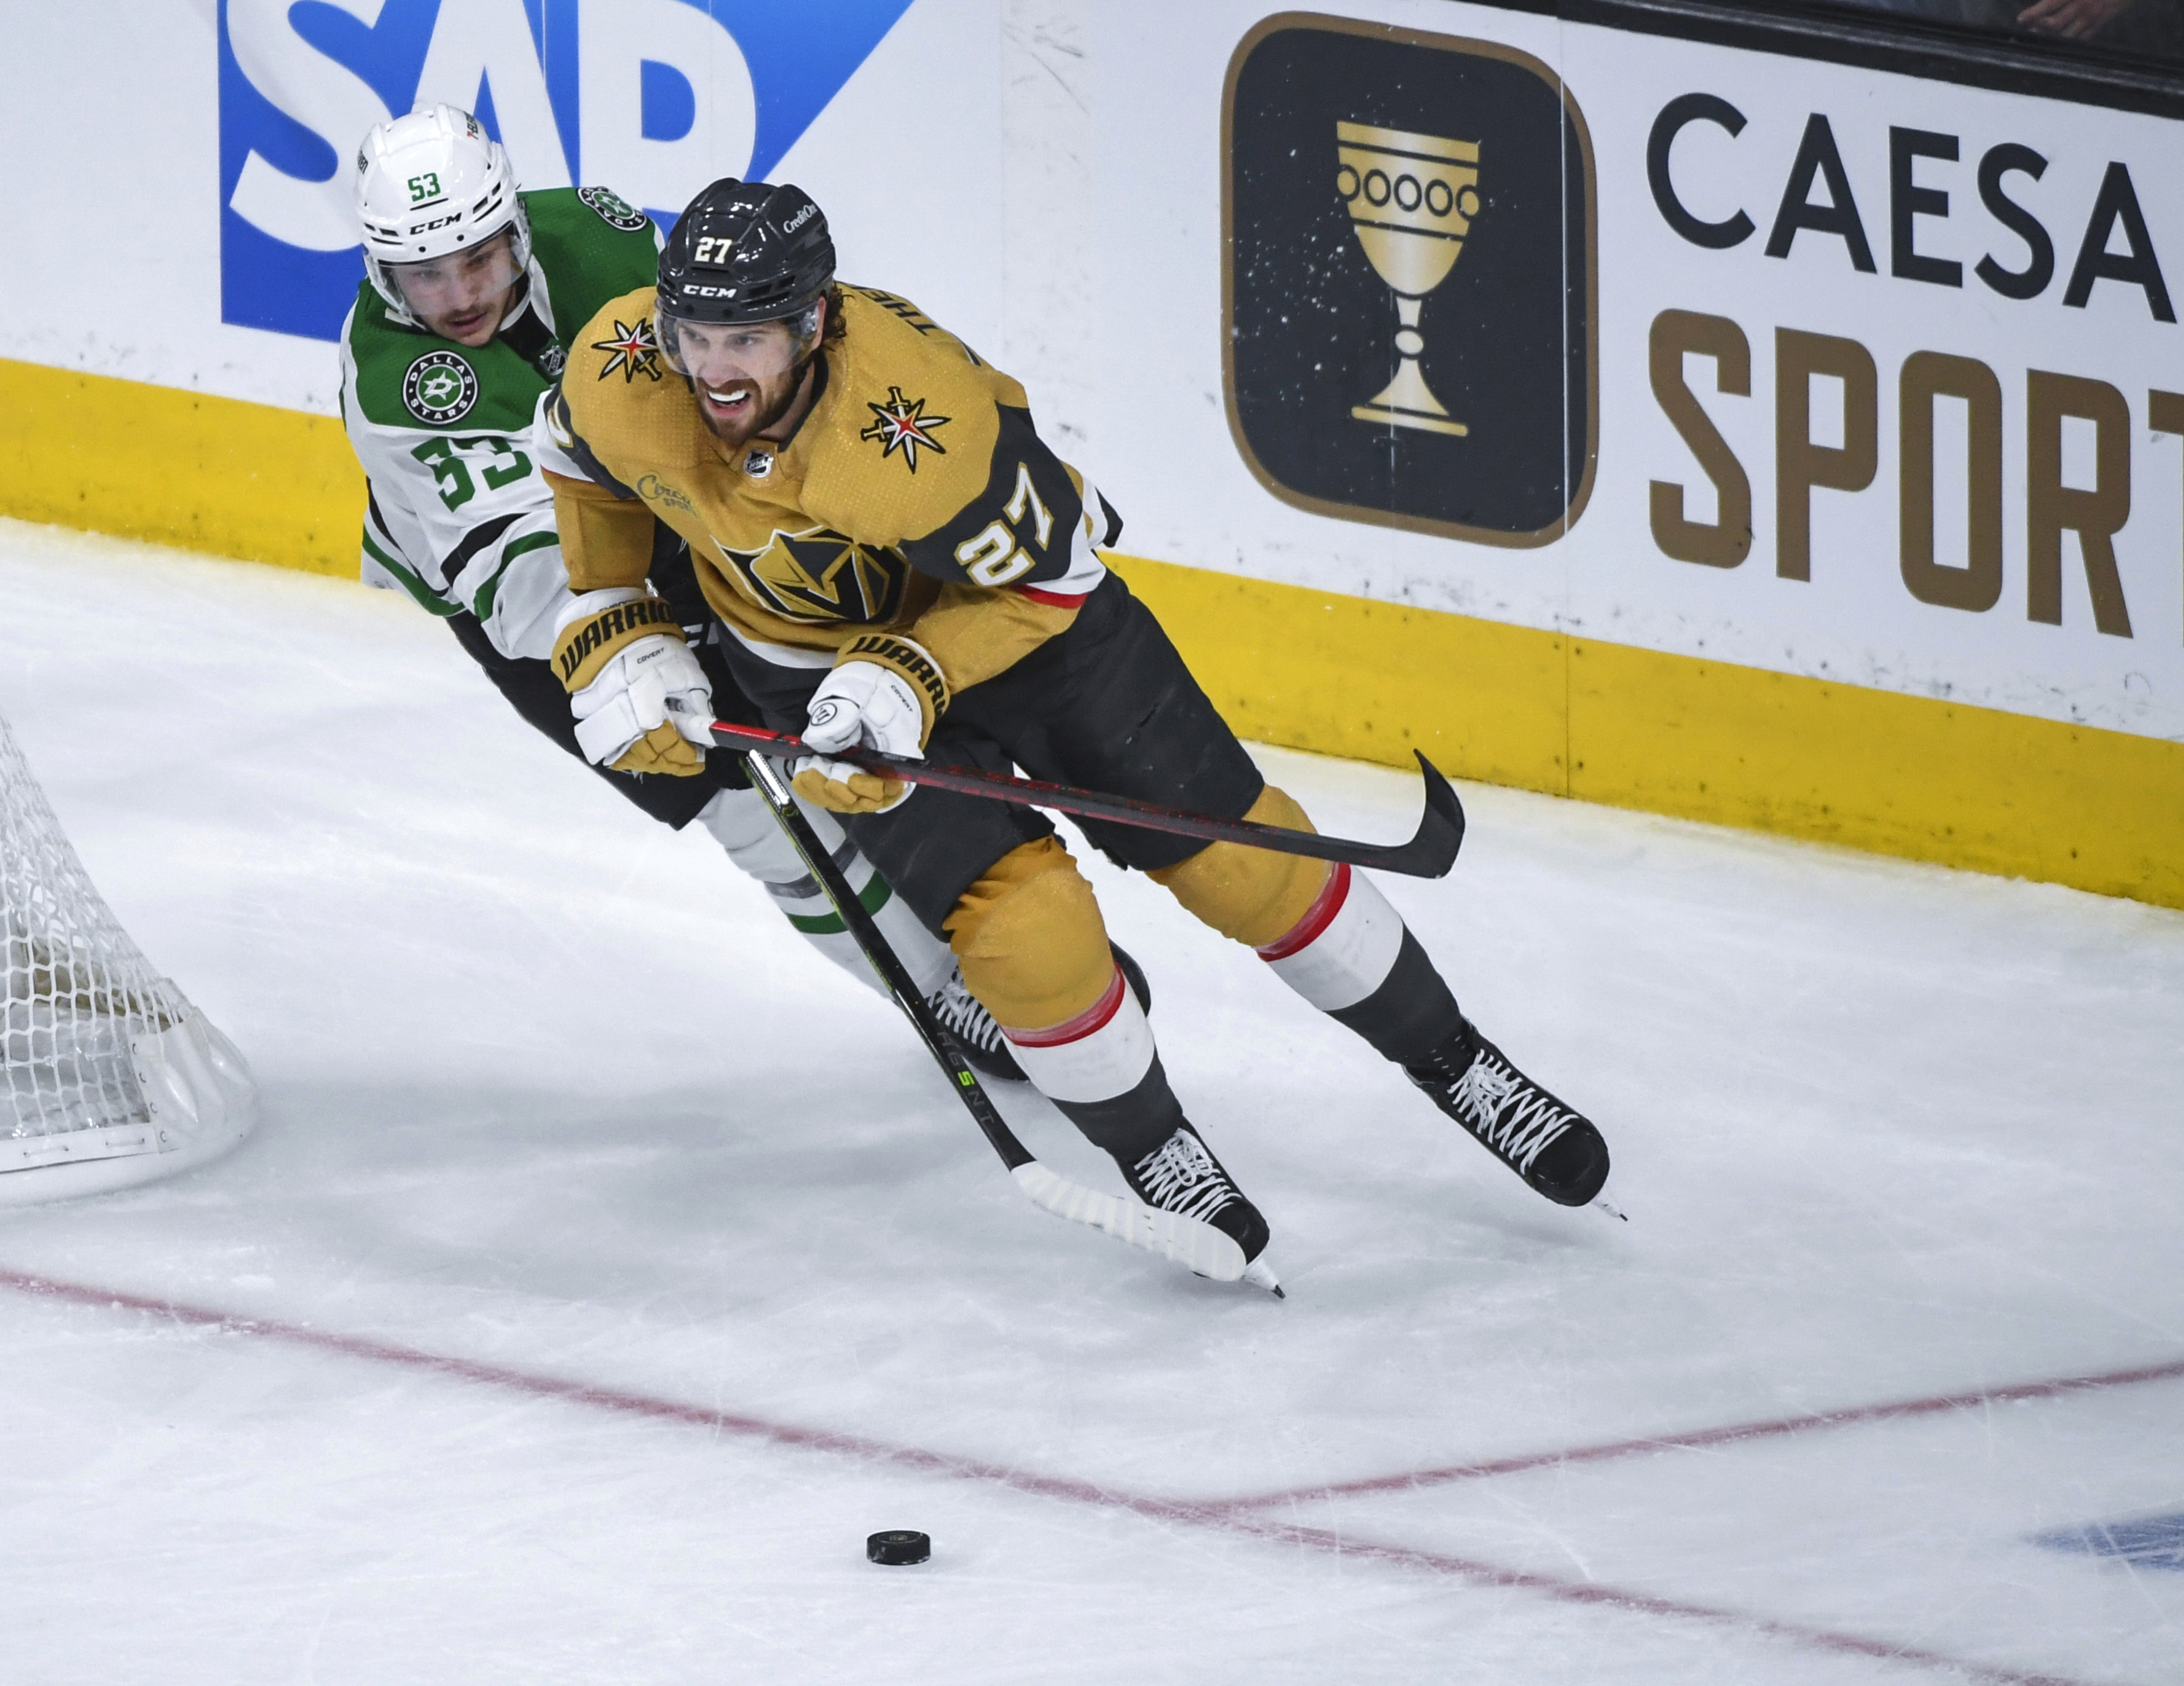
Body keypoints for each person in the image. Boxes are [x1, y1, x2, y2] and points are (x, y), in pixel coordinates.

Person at [533, 179, 1612, 1285]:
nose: (714, 368)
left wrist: (914, 667)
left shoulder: (912, 423)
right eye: (697, 333)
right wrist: (616, 615)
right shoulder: (624, 369)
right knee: (1026, 935)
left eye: (747, 338)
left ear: (811, 325)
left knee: (1237, 860)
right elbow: (580, 462)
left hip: (1018, 620)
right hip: (811, 668)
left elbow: (1055, 575)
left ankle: (1456, 1059)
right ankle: (1158, 1150)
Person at [335, 107, 1026, 1074]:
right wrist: (633, 639)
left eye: (478, 261)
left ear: (516, 230)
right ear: (380, 271)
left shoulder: (602, 235)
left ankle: (1018, 947)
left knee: (841, 734)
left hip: (679, 529)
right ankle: (938, 994)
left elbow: (708, 386)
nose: (457, 297)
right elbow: (518, 578)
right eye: (423, 276)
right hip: (544, 615)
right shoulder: (392, 383)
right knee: (748, 811)